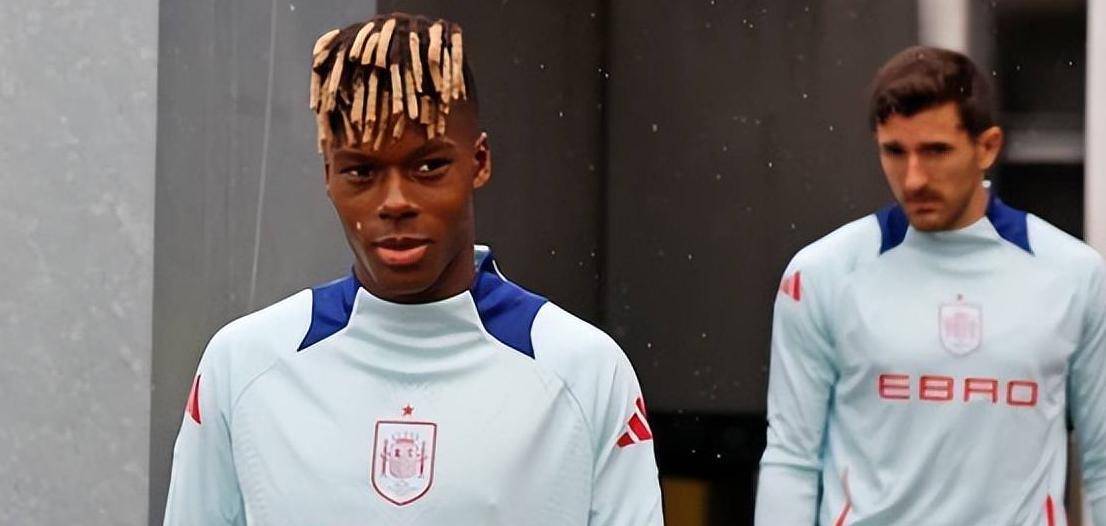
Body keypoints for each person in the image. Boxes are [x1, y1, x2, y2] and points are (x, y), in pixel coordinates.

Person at [163, 13, 662, 525]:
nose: (395, 202)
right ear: (329, 176)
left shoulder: (584, 370)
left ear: (479, 161)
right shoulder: (243, 364)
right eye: (362, 171)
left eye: (428, 166)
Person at [755, 46, 1106, 525]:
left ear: (987, 147)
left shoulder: (1075, 275)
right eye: (895, 152)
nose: (914, 178)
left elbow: (1102, 461)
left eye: (936, 151)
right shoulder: (821, 274)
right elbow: (791, 458)